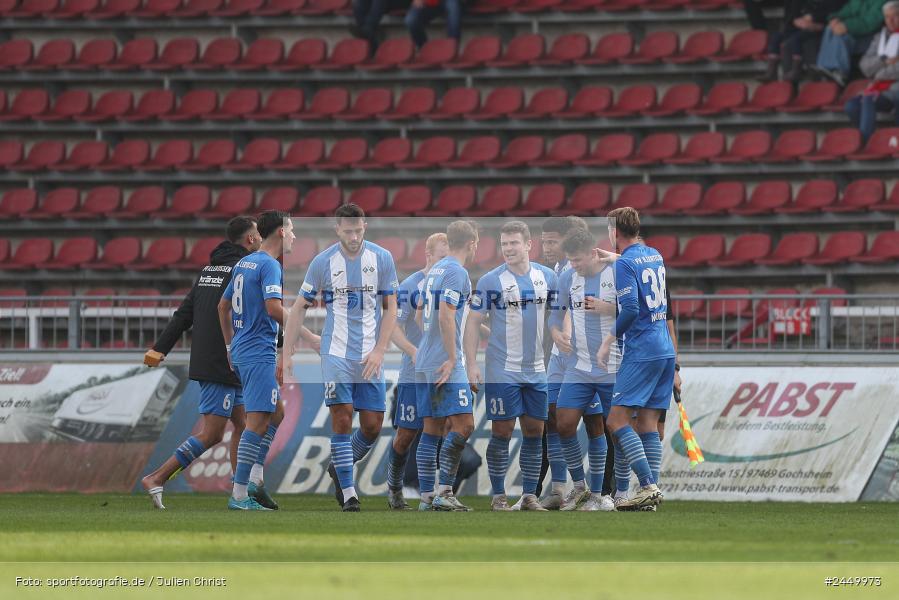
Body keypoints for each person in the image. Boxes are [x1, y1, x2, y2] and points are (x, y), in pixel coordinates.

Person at [141, 217, 262, 510]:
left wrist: (159, 349)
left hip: (223, 360)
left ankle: (240, 493)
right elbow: (250, 313)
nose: (260, 238)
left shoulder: (208, 271)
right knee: (212, 434)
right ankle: (157, 477)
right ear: (250, 239)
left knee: (244, 424)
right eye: (257, 233)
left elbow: (184, 314)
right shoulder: (243, 270)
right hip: (222, 362)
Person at [284, 203, 399, 512]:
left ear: (365, 227)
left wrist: (380, 349)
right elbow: (299, 307)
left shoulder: (382, 258)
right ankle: (349, 493)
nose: (354, 236)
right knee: (343, 416)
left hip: (370, 356)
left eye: (358, 230)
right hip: (335, 353)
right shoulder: (323, 262)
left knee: (373, 425)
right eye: (348, 231)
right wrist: (287, 350)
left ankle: (338, 464)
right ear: (337, 230)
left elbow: (391, 307)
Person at [464, 221, 557, 512]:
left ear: (529, 245)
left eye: (514, 243)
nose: (508, 249)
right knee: (502, 432)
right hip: (502, 368)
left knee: (534, 431)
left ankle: (529, 495)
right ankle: (498, 496)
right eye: (504, 244)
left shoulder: (548, 277)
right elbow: (473, 323)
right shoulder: (491, 281)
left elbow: (560, 316)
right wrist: (471, 363)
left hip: (537, 368)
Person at [598, 207, 674, 511]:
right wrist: (615, 258)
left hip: (642, 350)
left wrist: (607, 341)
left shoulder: (624, 265)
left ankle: (647, 485)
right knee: (647, 423)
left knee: (616, 420)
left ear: (614, 232)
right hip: (665, 348)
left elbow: (629, 309)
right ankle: (649, 499)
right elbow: (637, 266)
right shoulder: (654, 254)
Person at [217, 210, 294, 510]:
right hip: (258, 351)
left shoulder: (244, 262)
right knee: (258, 422)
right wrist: (305, 331)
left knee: (276, 413)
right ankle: (239, 495)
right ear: (281, 232)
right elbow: (273, 308)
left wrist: (229, 346)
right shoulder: (270, 265)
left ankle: (256, 480)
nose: (294, 236)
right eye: (292, 230)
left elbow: (223, 307)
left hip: (242, 350)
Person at [549, 229, 619, 512]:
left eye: (577, 259)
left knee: (617, 429)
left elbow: (636, 310)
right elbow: (555, 315)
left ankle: (611, 493)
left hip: (613, 366)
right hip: (579, 367)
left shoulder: (616, 272)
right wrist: (556, 333)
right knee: (564, 423)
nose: (574, 265)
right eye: (570, 260)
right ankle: (580, 487)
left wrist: (608, 308)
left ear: (593, 253)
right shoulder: (567, 278)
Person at [415, 220, 478, 511]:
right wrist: (452, 358)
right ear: (472, 243)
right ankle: (445, 491)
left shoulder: (435, 271)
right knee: (465, 424)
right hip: (444, 361)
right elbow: (445, 315)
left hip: (426, 359)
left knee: (432, 428)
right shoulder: (457, 272)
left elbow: (420, 316)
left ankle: (427, 496)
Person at [385, 232, 449, 510]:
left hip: (443, 372)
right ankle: (394, 487)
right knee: (406, 435)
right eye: (441, 257)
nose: (446, 263)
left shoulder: (453, 282)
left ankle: (434, 493)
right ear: (428, 254)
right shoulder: (411, 285)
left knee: (444, 430)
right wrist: (414, 351)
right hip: (414, 374)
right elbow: (393, 328)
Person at [537, 216, 588, 509]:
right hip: (560, 355)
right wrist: (556, 333)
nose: (547, 247)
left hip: (586, 359)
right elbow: (558, 312)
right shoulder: (558, 269)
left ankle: (605, 492)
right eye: (544, 242)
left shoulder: (578, 268)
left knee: (599, 425)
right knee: (553, 418)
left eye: (552, 242)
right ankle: (560, 489)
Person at [846, 1, 899, 140]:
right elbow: (864, 66)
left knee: (868, 99)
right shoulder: (879, 38)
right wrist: (883, 61)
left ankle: (866, 142)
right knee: (851, 106)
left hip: (895, 88)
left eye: (895, 16)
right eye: (887, 17)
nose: (890, 20)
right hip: (879, 87)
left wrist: (878, 73)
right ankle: (872, 139)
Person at [760, 0, 847, 82]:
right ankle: (773, 73)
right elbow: (796, 16)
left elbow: (833, 13)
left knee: (794, 41)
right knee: (777, 38)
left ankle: (798, 71)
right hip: (802, 26)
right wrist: (798, 21)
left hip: (822, 28)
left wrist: (813, 18)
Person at [813, 0, 888, 87]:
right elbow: (846, 11)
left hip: (872, 38)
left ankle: (840, 73)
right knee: (830, 28)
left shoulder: (881, 2)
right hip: (855, 32)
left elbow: (869, 24)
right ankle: (823, 69)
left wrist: (846, 26)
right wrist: (835, 18)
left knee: (842, 36)